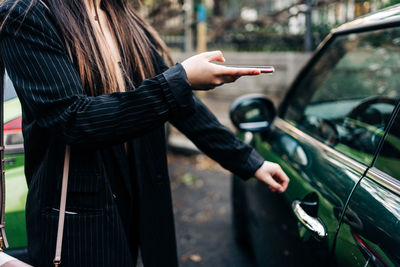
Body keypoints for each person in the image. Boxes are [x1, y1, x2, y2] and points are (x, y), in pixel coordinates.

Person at [0, 0, 289, 266]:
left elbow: (181, 106)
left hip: (139, 196)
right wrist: (181, 79)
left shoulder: (121, 15)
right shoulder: (26, 15)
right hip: (80, 217)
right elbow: (72, 119)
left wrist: (251, 161)